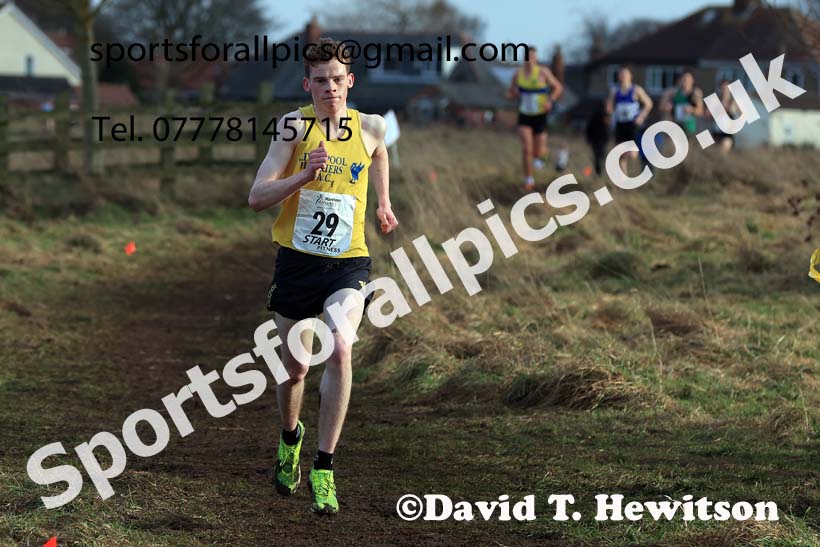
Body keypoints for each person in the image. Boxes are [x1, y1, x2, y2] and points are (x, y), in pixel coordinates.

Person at [247, 37, 399, 515]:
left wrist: (384, 203)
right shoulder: (294, 128)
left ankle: (324, 466)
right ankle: (290, 438)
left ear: (349, 82)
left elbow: (378, 156)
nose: (330, 89)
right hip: (296, 261)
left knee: (340, 345)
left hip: (348, 261)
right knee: (295, 369)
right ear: (306, 84)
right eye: (320, 81)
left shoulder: (371, 127)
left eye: (338, 80)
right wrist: (301, 178)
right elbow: (256, 196)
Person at [505, 45, 563, 190]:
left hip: (540, 116)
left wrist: (550, 101)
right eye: (526, 57)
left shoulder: (543, 73)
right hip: (524, 115)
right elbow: (511, 92)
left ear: (536, 58)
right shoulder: (517, 75)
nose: (529, 60)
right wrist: (512, 95)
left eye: (531, 57)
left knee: (538, 152)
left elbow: (558, 87)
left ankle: (543, 154)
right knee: (526, 148)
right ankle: (528, 180)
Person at [605, 66, 653, 176]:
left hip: (632, 124)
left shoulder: (636, 90)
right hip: (620, 124)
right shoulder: (614, 91)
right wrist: (609, 109)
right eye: (621, 75)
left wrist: (641, 117)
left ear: (630, 76)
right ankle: (624, 179)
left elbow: (649, 104)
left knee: (632, 154)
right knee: (619, 154)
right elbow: (610, 107)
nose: (623, 77)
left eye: (625, 74)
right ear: (619, 77)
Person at [660, 69, 704, 137]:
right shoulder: (673, 93)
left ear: (692, 80)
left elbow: (700, 112)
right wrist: (667, 106)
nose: (686, 82)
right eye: (684, 79)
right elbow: (661, 107)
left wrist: (691, 110)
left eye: (688, 80)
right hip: (677, 125)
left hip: (691, 127)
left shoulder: (696, 93)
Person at [709, 79, 740, 154]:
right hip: (715, 131)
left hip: (727, 133)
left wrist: (733, 110)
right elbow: (707, 115)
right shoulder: (715, 102)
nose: (724, 91)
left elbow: (741, 115)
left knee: (724, 147)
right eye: (722, 88)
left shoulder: (733, 102)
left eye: (727, 88)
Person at [586, 100, 610, 177]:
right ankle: (600, 168)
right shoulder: (605, 115)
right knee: (602, 154)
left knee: (596, 156)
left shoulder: (592, 115)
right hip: (602, 138)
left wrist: (588, 139)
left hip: (594, 139)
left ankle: (598, 170)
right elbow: (607, 127)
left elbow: (588, 128)